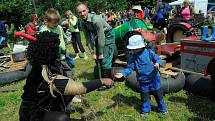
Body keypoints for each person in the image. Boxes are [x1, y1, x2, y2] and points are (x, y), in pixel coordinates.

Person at [19, 31, 114, 121]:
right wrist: (102, 81)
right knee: (62, 118)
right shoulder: (46, 73)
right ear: (50, 50)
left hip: (42, 105)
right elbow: (77, 88)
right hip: (32, 114)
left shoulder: (45, 63)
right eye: (56, 47)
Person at [114, 34, 167, 117]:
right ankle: (146, 110)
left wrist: (157, 63)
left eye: (135, 48)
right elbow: (130, 68)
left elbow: (158, 59)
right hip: (143, 80)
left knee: (158, 95)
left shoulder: (149, 52)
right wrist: (123, 73)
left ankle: (162, 109)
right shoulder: (133, 57)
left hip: (154, 78)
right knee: (145, 96)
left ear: (141, 46)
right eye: (132, 48)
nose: (133, 50)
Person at [76, 3, 116, 80]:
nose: (82, 14)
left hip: (107, 34)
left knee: (104, 59)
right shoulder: (82, 23)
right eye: (80, 12)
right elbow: (87, 38)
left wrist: (101, 53)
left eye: (84, 11)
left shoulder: (95, 20)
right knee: (97, 58)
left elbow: (101, 37)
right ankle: (101, 77)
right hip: (98, 34)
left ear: (87, 10)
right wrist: (92, 52)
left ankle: (108, 81)